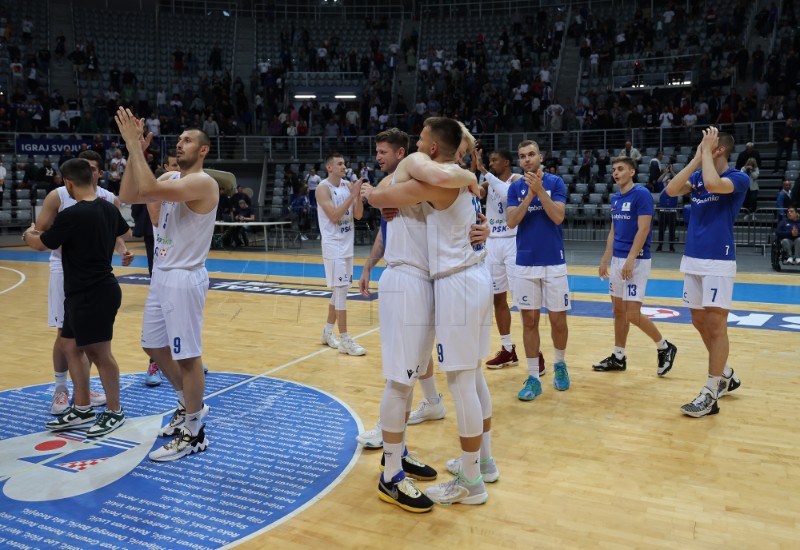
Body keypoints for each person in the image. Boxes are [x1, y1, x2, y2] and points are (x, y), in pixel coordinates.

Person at [364, 117, 493, 509]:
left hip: (450, 282)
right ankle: (399, 467)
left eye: (420, 139)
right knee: (425, 378)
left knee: (460, 381)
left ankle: (473, 472)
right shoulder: (438, 178)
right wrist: (376, 193)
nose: (416, 144)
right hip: (423, 280)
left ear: (431, 148)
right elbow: (380, 196)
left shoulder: (435, 177)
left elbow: (385, 194)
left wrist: (376, 194)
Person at [116, 108, 218, 459]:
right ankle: (188, 405)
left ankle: (194, 432)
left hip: (184, 277)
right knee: (154, 347)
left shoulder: (203, 182)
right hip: (162, 274)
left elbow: (146, 186)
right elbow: (131, 194)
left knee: (187, 357)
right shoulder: (173, 181)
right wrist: (134, 152)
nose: (180, 143)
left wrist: (132, 143)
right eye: (178, 139)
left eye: (188, 140)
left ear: (203, 150)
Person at [23, 158, 132, 437]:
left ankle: (115, 411)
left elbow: (40, 244)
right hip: (82, 291)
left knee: (100, 353)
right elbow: (125, 231)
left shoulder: (72, 215)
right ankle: (82, 407)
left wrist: (28, 233)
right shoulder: (108, 207)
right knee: (70, 346)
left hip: (93, 292)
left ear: (69, 183)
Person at [666, 127, 749, 417]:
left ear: (719, 150)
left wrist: (706, 157)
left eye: (705, 146)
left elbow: (714, 184)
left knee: (716, 325)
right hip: (693, 259)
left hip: (718, 260)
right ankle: (725, 372)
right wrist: (696, 158)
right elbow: (671, 190)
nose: (700, 149)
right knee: (698, 321)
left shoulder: (738, 178)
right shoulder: (698, 176)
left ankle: (712, 391)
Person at [593, 156, 678, 375]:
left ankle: (664, 346)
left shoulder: (641, 194)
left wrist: (631, 258)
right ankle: (618, 356)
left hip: (637, 260)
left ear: (632, 172)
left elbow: (644, 229)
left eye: (620, 168)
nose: (616, 172)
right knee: (618, 311)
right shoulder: (615, 198)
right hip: (618, 259)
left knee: (632, 314)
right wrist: (605, 259)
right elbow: (613, 231)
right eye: (614, 169)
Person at [506, 140, 571, 401]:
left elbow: (558, 216)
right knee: (529, 321)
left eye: (531, 154)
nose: (527, 159)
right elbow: (511, 221)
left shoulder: (556, 183)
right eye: (522, 156)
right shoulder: (515, 188)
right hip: (524, 263)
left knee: (558, 320)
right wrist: (529, 195)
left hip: (553, 262)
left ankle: (560, 365)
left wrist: (539, 190)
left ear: (540, 157)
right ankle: (534, 376)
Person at [475, 148, 545, 374]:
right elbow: (474, 192)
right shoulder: (487, 182)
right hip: (492, 243)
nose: (491, 163)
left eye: (495, 160)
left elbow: (506, 193)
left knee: (524, 302)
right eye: (489, 160)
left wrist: (484, 171)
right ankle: (508, 349)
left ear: (506, 162)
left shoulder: (517, 180)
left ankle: (537, 353)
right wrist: (473, 168)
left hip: (514, 242)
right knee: (498, 298)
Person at [135, 153, 180, 388]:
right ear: (164, 168)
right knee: (163, 314)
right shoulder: (158, 192)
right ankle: (155, 362)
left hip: (186, 269)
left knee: (182, 317)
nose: (176, 172)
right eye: (172, 167)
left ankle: (184, 358)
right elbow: (151, 214)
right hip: (163, 260)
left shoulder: (190, 189)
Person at [316, 153, 367, 356]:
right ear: (329, 168)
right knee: (343, 290)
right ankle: (345, 338)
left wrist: (359, 197)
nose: (344, 166)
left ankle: (328, 332)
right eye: (339, 164)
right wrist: (353, 195)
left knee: (339, 290)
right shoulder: (322, 188)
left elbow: (358, 215)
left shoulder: (347, 186)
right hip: (333, 245)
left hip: (347, 245)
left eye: (344, 163)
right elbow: (335, 217)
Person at [655, 164, 677, 252]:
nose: (669, 183)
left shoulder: (676, 188)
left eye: (670, 181)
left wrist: (671, 171)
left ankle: (671, 246)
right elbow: (659, 181)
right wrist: (666, 172)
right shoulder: (662, 189)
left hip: (672, 212)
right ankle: (660, 245)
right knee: (661, 230)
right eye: (667, 181)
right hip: (663, 212)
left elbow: (678, 179)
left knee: (672, 230)